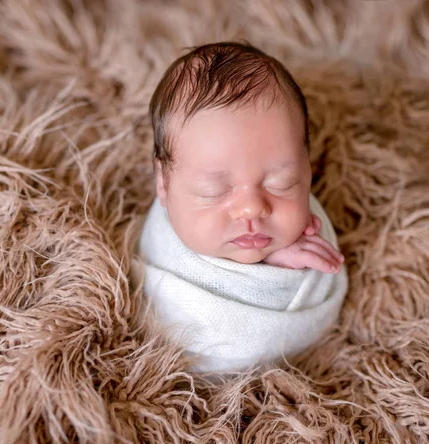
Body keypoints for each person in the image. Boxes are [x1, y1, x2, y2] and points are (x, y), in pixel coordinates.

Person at [135, 41, 348, 374]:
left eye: (282, 182)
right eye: (214, 190)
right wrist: (266, 268)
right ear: (164, 184)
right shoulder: (167, 247)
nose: (251, 209)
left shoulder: (308, 227)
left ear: (308, 168)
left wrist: (277, 268)